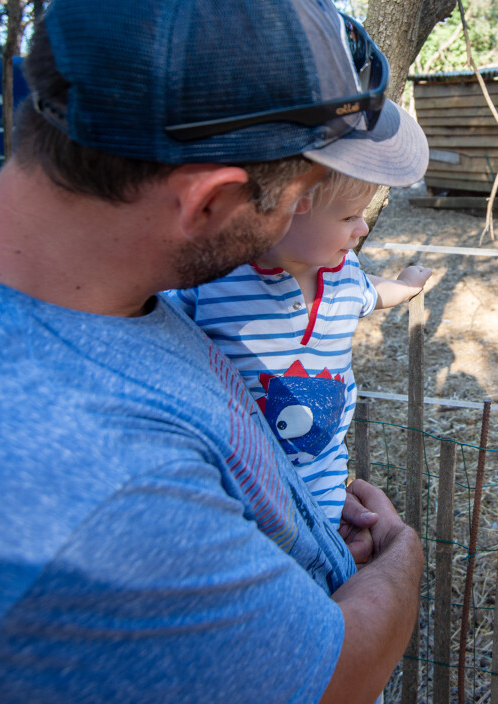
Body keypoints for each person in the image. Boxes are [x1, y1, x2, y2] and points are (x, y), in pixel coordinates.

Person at [0, 0, 426, 703]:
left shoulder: (109, 291)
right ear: (212, 201)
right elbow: (334, 677)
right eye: (294, 196)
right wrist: (402, 562)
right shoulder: (110, 489)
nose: (301, 218)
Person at [166, 169, 432, 526]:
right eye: (349, 216)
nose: (363, 227)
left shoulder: (346, 271)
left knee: (319, 548)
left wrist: (405, 285)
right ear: (284, 213)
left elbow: (369, 292)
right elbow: (158, 319)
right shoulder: (215, 277)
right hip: (235, 472)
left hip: (321, 471)